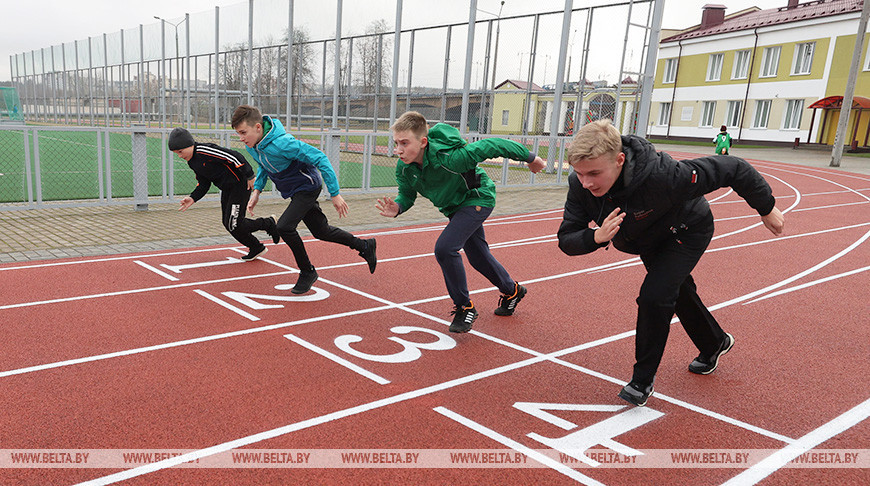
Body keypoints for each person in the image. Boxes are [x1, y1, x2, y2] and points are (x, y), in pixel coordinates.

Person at [557, 119, 784, 407]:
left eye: (594, 173)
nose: (586, 182)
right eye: (579, 173)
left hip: (687, 231)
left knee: (655, 296)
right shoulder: (580, 185)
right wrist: (596, 237)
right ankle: (715, 342)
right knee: (676, 293)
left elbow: (734, 168)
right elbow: (567, 238)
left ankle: (641, 381)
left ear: (619, 159)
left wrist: (767, 208)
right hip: (648, 240)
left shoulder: (666, 175)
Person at [376, 111, 546, 333]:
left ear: (423, 142)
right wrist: (398, 206)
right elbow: (407, 194)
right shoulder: (405, 168)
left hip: (478, 198)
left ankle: (465, 307)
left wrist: (531, 158)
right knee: (477, 257)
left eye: (405, 143)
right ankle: (512, 290)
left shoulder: (451, 158)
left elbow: (493, 145)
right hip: (455, 208)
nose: (398, 149)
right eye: (396, 143)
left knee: (445, 249)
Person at [231, 105, 377, 294]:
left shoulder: (283, 143)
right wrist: (257, 191)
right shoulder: (253, 147)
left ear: (258, 128)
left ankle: (307, 271)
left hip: (308, 187)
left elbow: (321, 158)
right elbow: (263, 166)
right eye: (238, 134)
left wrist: (334, 193)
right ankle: (364, 245)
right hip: (295, 190)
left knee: (284, 226)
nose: (241, 138)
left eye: (243, 132)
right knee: (321, 231)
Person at [168, 127, 279, 262]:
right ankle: (256, 247)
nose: (180, 155)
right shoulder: (192, 162)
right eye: (176, 153)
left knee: (234, 223)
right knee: (228, 223)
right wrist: (193, 197)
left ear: (190, 144)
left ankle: (268, 223)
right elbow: (204, 183)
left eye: (181, 151)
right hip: (227, 189)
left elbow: (235, 156)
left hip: (240, 185)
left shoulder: (205, 150)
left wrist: (250, 176)